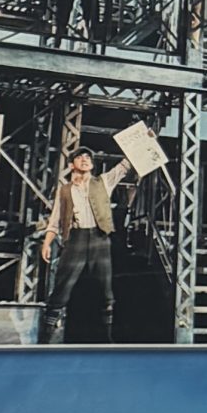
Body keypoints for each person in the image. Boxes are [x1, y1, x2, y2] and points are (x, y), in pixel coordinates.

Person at [38, 147, 135, 344]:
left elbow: (125, 165)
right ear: (72, 164)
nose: (85, 160)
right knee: (62, 288)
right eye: (80, 157)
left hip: (100, 238)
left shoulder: (103, 182)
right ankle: (46, 337)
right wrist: (47, 243)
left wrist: (145, 139)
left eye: (88, 157)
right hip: (76, 238)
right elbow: (55, 219)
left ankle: (107, 338)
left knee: (106, 290)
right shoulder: (64, 190)